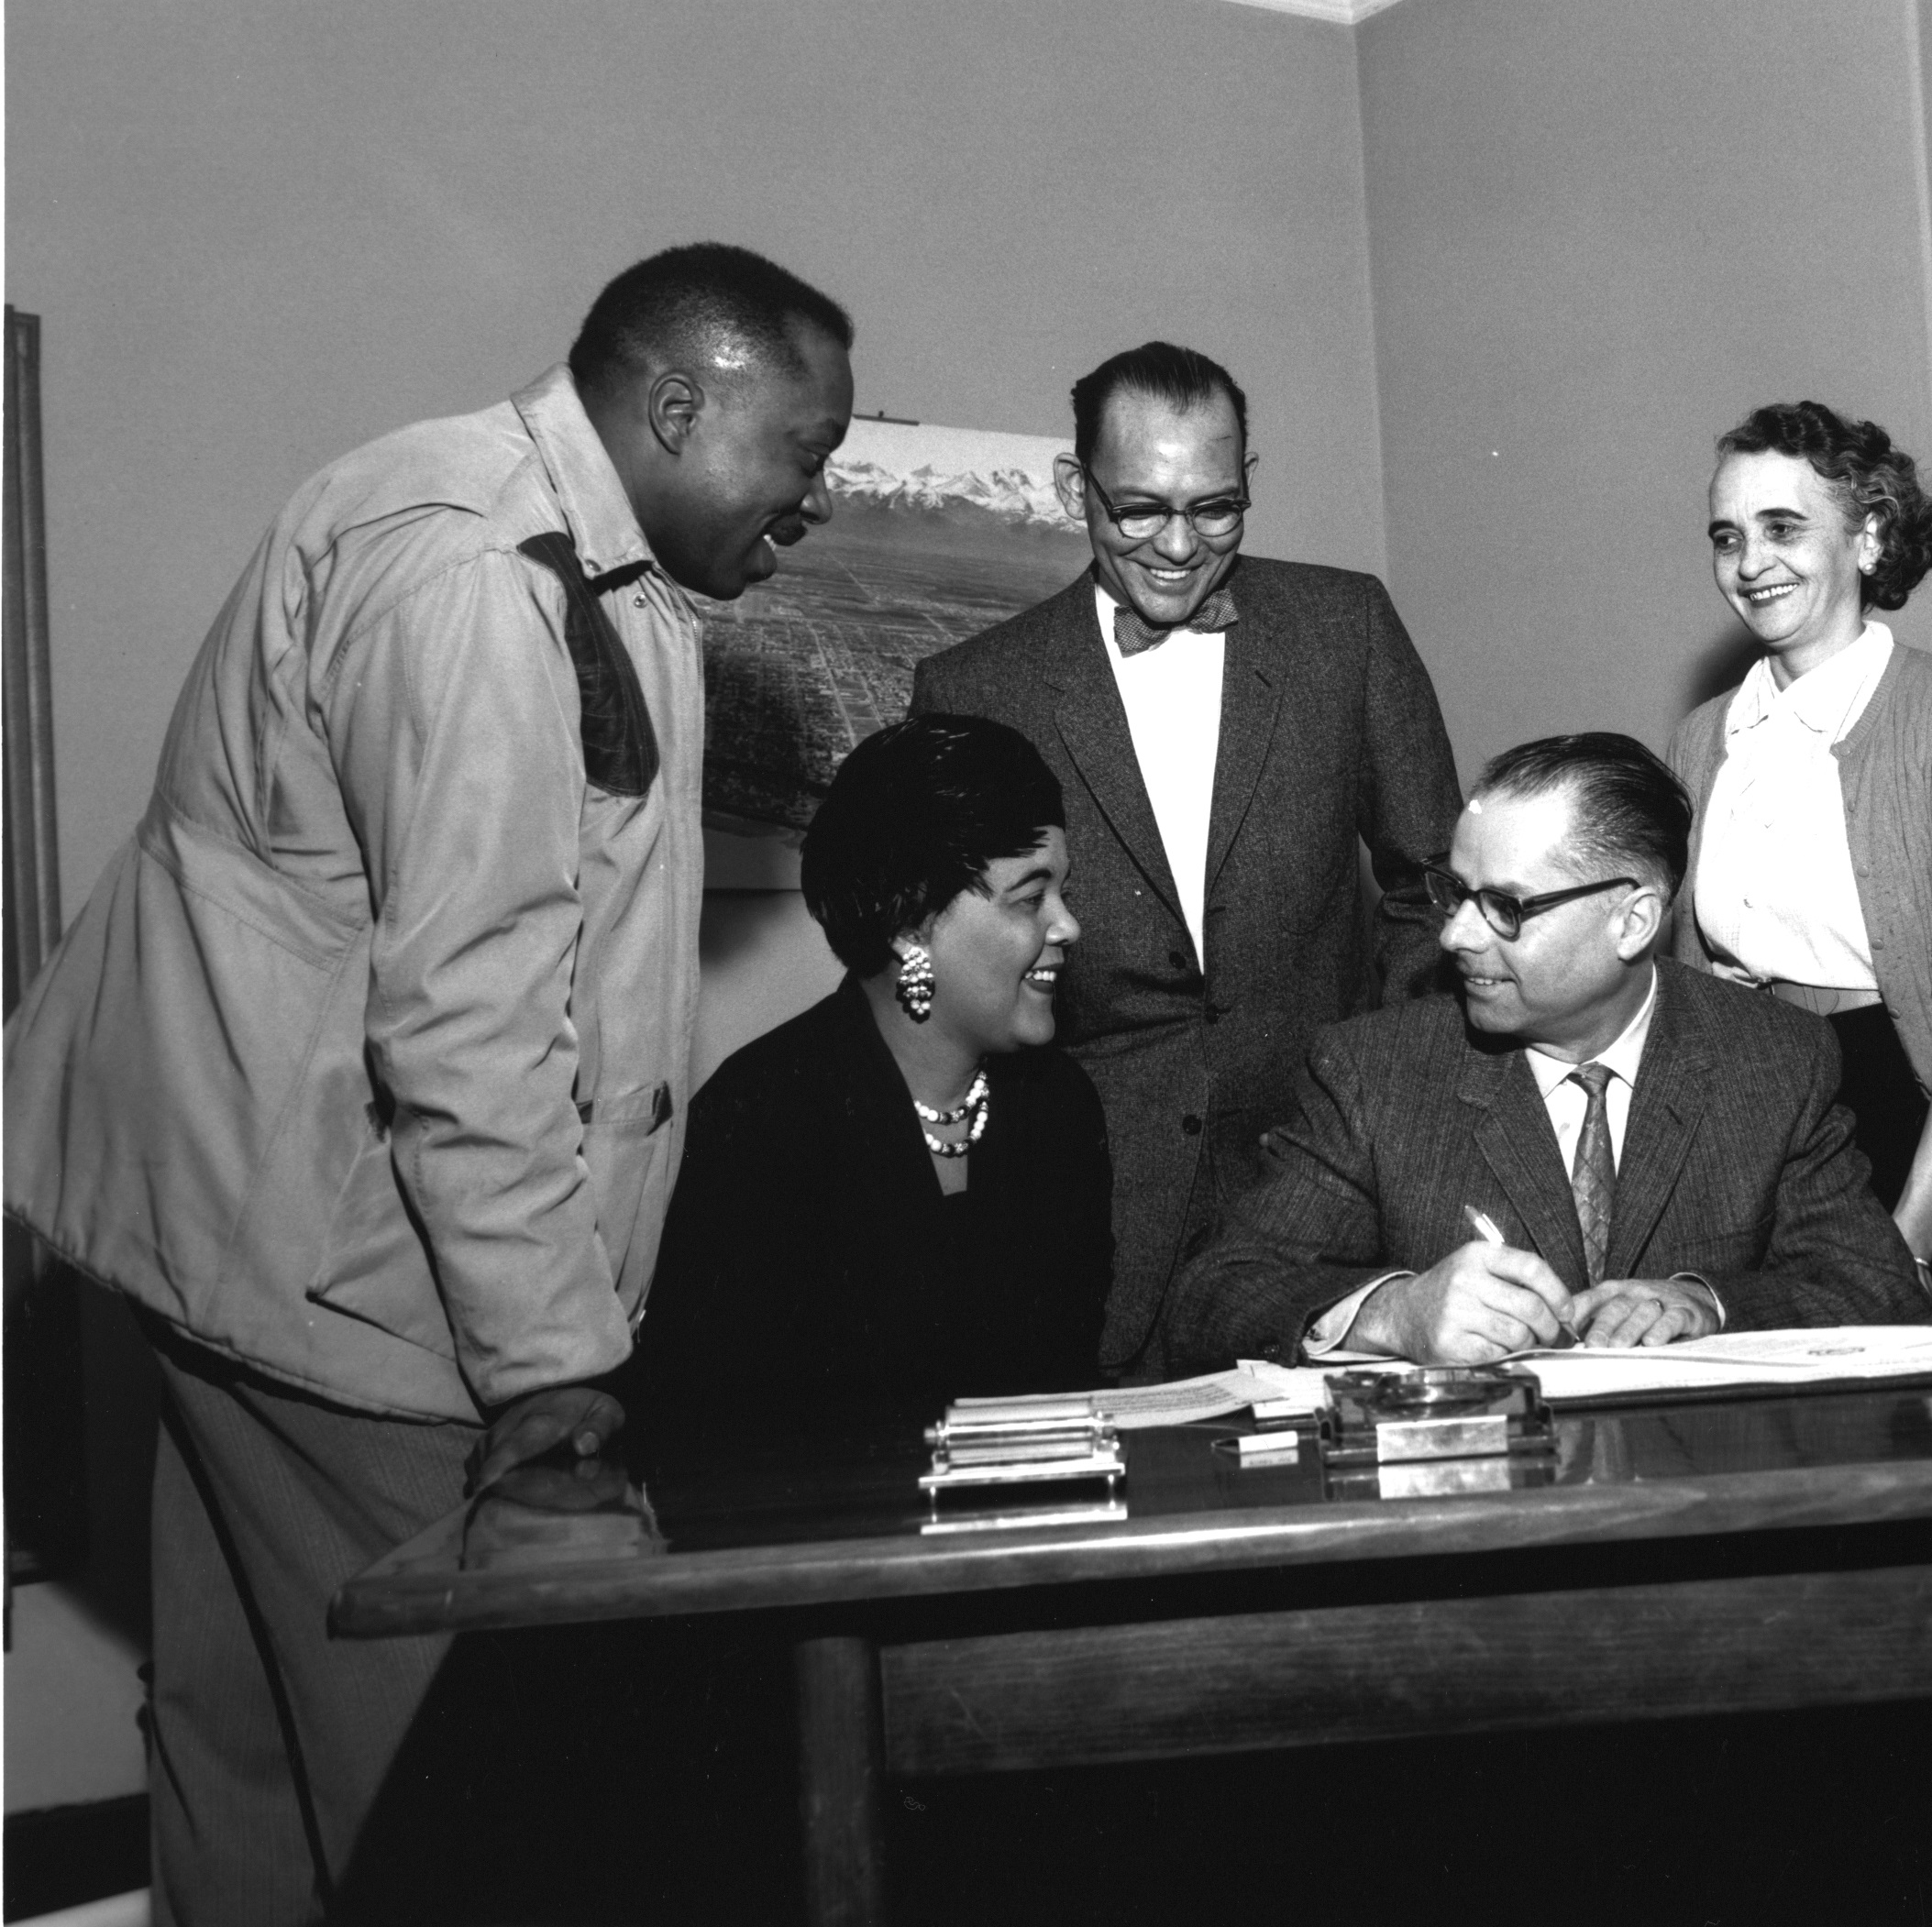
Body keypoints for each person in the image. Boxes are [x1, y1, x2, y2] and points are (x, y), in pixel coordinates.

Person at [1, 243, 855, 1922]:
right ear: (676, 404)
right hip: (352, 1287)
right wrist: (558, 1373)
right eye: (804, 452)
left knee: (244, 1755)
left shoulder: (518, 520)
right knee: (458, 1796)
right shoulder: (478, 577)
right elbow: (466, 1023)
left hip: (233, 1243)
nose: (814, 497)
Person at [910, 341, 1463, 1380]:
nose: (1177, 545)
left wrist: (1383, 1089)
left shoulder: (1347, 628)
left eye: (1214, 507)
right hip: (1094, 1205)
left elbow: (1432, 885)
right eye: (1139, 509)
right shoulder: (976, 687)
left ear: (1249, 481)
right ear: (1076, 488)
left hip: (1331, 1181)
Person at [1166, 734, 1932, 1371]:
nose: (1455, 935)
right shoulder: (1374, 1072)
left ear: (1632, 922)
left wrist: (1709, 1303)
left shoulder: (1773, 1060)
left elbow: (1880, 1292)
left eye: (1505, 906)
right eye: (1454, 892)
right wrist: (1392, 1312)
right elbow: (1214, 1299)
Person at [1668, 402, 1932, 1337]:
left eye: (1784, 528)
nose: (1750, 563)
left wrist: (1910, 1238)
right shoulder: (1705, 738)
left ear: (1867, 536)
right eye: (1728, 535)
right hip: (1776, 1127)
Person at [632, 715, 1110, 1416]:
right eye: (1031, 897)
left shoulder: (1060, 1106)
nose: (1066, 925)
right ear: (909, 919)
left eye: (1062, 893)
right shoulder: (764, 1120)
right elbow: (713, 1450)